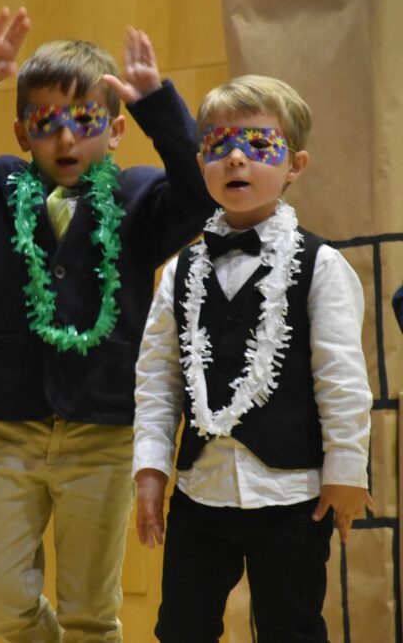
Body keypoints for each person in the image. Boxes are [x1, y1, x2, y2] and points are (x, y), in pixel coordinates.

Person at [0, 6, 214, 641]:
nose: (66, 139)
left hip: (102, 435)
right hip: (11, 432)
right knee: (0, 597)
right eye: (46, 123)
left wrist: (157, 103)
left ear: (116, 129)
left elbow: (200, 190)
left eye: (85, 120)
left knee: (89, 612)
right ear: (21, 132)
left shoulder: (138, 200)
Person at [133, 74, 373, 642]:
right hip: (199, 491)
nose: (236, 158)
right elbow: (158, 381)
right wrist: (150, 469)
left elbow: (341, 377)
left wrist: (345, 472)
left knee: (291, 627)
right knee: (182, 627)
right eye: (219, 145)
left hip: (292, 495)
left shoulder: (323, 266)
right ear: (201, 163)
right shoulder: (178, 272)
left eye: (259, 145)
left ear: (295, 165)